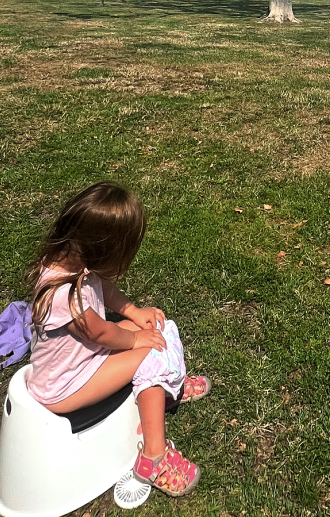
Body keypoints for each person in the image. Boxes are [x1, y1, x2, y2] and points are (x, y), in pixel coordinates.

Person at [26, 181, 209, 497]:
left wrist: (136, 313)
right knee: (152, 351)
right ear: (101, 248)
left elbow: (105, 290)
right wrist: (138, 340)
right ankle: (154, 457)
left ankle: (169, 383)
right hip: (65, 386)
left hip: (85, 361)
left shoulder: (75, 260)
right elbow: (101, 332)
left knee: (156, 328)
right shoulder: (62, 293)